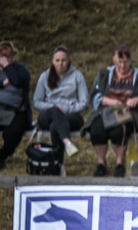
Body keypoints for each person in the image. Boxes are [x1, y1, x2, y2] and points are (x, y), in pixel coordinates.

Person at [83, 44, 138, 178]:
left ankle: (119, 164)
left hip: (130, 113)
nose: (122, 66)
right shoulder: (104, 74)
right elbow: (94, 95)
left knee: (120, 129)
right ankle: (101, 164)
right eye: (119, 63)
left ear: (131, 61)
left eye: (125, 63)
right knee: (96, 128)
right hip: (106, 111)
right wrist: (109, 101)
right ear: (113, 60)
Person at [33, 45, 89, 159]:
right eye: (57, 60)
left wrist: (67, 108)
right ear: (52, 61)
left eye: (63, 60)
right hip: (47, 115)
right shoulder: (45, 76)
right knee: (55, 111)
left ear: (69, 60)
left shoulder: (77, 76)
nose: (60, 63)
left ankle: (57, 164)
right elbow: (36, 102)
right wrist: (55, 107)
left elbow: (84, 102)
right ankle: (68, 143)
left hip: (71, 115)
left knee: (55, 126)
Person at [0, 40, 32, 171]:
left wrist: (7, 67)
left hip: (17, 110)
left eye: (9, 55)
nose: (6, 58)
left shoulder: (21, 69)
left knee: (15, 132)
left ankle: (1, 155)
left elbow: (18, 81)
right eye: (3, 56)